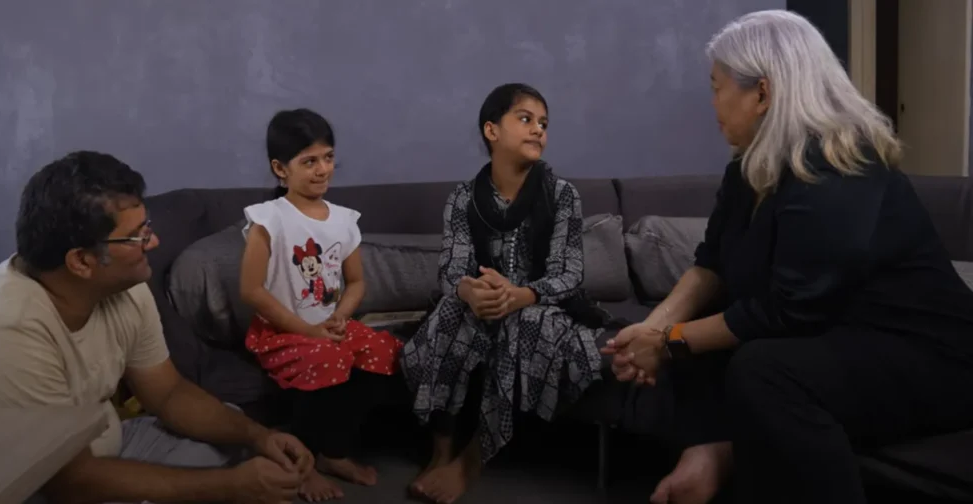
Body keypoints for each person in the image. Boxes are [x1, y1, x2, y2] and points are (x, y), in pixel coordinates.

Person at [603, 10, 973, 504]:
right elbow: (710, 264)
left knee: (763, 368)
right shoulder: (747, 170)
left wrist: (669, 341)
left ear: (762, 92)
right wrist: (657, 330)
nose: (711, 101)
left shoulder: (840, 163)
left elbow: (789, 309)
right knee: (701, 346)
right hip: (839, 339)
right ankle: (715, 454)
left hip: (929, 355)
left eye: (717, 87)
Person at [0, 151, 313, 504]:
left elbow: (169, 394)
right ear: (82, 260)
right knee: (224, 481)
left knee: (232, 426)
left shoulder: (126, 288)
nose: (153, 243)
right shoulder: (4, 333)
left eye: (147, 228)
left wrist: (260, 437)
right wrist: (230, 487)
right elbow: (66, 484)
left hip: (108, 446)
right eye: (138, 235)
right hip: (34, 485)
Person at [401, 83, 616, 504]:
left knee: (524, 321)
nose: (538, 129)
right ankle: (441, 448)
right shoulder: (463, 198)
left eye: (544, 123)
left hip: (545, 308)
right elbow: (451, 270)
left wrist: (521, 294)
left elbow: (569, 275)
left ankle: (473, 458)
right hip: (484, 304)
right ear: (491, 130)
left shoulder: (562, 195)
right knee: (449, 311)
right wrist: (469, 290)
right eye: (525, 119)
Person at [240, 108, 404, 502]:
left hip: (330, 324)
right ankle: (303, 462)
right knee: (326, 358)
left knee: (385, 351)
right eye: (308, 161)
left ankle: (334, 451)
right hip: (284, 332)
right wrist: (308, 330)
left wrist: (340, 316)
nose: (322, 170)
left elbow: (356, 282)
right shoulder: (269, 219)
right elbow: (251, 290)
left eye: (328, 158)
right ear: (281, 169)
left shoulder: (344, 221)